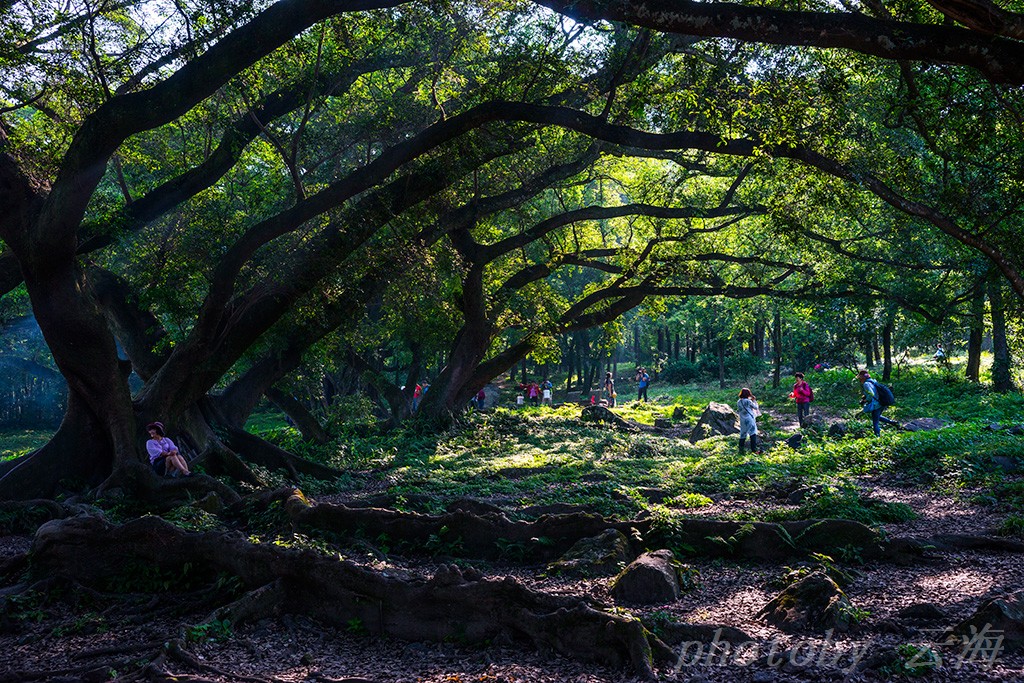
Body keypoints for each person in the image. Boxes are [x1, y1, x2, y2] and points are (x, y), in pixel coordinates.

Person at [857, 370, 899, 436]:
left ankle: (878, 437)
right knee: (877, 416)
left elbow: (871, 394)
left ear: (862, 377)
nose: (859, 379)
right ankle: (893, 423)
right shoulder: (873, 381)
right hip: (881, 402)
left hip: (876, 404)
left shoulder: (866, 384)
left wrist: (865, 400)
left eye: (860, 377)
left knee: (875, 423)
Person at [737, 388, 762, 454]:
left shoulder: (739, 402)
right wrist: (754, 401)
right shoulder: (748, 401)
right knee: (753, 433)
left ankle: (741, 449)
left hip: (742, 419)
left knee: (743, 434)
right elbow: (756, 407)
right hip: (749, 419)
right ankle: (754, 450)